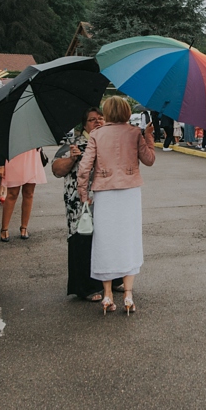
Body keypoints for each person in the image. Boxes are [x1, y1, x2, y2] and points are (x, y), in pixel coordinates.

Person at [77, 96, 155, 315]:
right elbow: (149, 160)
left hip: (105, 192)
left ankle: (107, 295)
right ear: (126, 112)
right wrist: (148, 136)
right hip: (130, 192)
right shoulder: (134, 133)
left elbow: (84, 167)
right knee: (129, 239)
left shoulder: (96, 134)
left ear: (108, 113)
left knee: (105, 241)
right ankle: (128, 295)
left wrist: (83, 193)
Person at [52, 107, 119, 302]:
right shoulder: (73, 144)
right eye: (92, 119)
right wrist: (71, 158)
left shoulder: (109, 142)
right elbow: (56, 170)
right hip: (80, 202)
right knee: (82, 239)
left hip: (105, 198)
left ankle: (113, 279)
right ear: (84, 125)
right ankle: (85, 286)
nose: (98, 122)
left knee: (107, 240)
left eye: (101, 118)